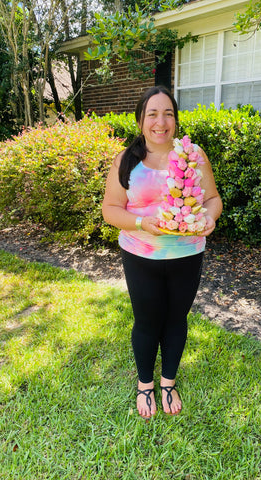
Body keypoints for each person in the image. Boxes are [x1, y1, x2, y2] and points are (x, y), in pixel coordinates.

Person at [102, 85, 223, 419]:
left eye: (168, 113)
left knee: (176, 319)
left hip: (187, 254)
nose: (160, 121)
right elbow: (111, 210)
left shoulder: (193, 154)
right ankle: (145, 384)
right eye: (152, 114)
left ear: (176, 119)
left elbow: (213, 199)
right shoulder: (127, 160)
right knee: (147, 321)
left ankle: (167, 382)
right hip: (141, 254)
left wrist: (209, 218)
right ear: (141, 120)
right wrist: (142, 222)